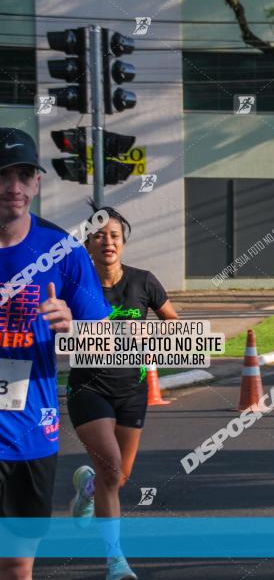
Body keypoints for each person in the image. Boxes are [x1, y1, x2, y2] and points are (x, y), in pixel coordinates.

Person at [0, 128, 111, 580]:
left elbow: (103, 340)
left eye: (25, 175)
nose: (14, 187)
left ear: (38, 183)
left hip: (29, 436)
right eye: (4, 175)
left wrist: (72, 327)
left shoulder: (61, 250)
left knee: (16, 563)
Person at [67, 202, 178, 580]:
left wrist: (152, 335)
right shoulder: (75, 284)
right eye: (99, 236)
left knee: (117, 477)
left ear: (123, 243)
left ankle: (87, 489)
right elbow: (54, 327)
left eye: (114, 235)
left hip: (132, 388)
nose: (107, 242)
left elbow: (174, 327)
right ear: (88, 245)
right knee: (112, 469)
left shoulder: (144, 282)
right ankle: (115, 560)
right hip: (88, 387)